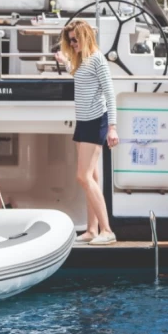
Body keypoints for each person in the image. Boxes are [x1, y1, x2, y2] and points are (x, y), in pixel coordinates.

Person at [55, 19, 119, 245]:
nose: (72, 44)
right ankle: (92, 230)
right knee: (91, 177)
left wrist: (112, 127)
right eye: (69, 40)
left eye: (75, 39)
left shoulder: (98, 60)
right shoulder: (82, 61)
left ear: (85, 37)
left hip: (96, 121)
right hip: (83, 122)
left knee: (83, 176)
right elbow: (80, 78)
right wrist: (65, 62)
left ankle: (107, 231)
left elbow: (110, 94)